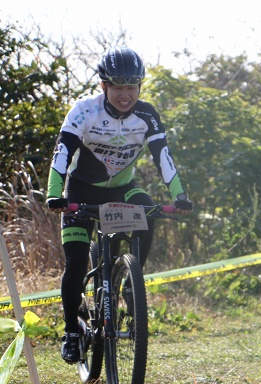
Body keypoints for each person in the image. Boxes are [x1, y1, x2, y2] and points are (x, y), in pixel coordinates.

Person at [46, 46, 193, 364]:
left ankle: (129, 278)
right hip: (80, 192)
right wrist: (54, 193)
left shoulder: (147, 114)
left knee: (149, 209)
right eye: (118, 87)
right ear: (104, 86)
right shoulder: (84, 111)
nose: (126, 95)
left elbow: (162, 157)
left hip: (122, 190)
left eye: (132, 87)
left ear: (140, 86)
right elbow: (62, 153)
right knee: (74, 265)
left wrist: (180, 196)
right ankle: (71, 331)